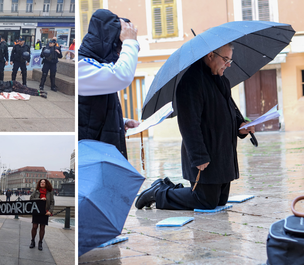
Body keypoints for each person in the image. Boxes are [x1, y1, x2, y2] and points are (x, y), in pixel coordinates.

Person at [135, 43, 256, 210]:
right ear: (210, 55)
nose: (228, 64)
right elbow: (188, 123)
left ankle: (169, 188)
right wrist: (198, 155)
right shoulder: (191, 81)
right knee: (205, 201)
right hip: (205, 153)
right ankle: (158, 193)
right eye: (226, 59)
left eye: (230, 60)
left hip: (223, 155)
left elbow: (227, 112)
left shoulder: (222, 81)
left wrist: (240, 127)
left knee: (219, 201)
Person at [78, 9, 140, 159]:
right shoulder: (83, 65)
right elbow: (122, 76)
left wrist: (121, 122)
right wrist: (130, 42)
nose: (120, 52)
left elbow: (94, 110)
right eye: (120, 46)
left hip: (99, 150)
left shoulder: (99, 64)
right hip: (91, 155)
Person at [29, 179, 54, 251]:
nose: (42, 183)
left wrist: (50, 211)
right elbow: (31, 199)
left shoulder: (49, 192)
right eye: (41, 182)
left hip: (45, 211)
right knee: (34, 226)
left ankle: (40, 242)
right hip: (37, 211)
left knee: (42, 227)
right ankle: (32, 241)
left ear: (46, 184)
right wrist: (40, 199)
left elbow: (52, 202)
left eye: (44, 182)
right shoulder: (36, 191)